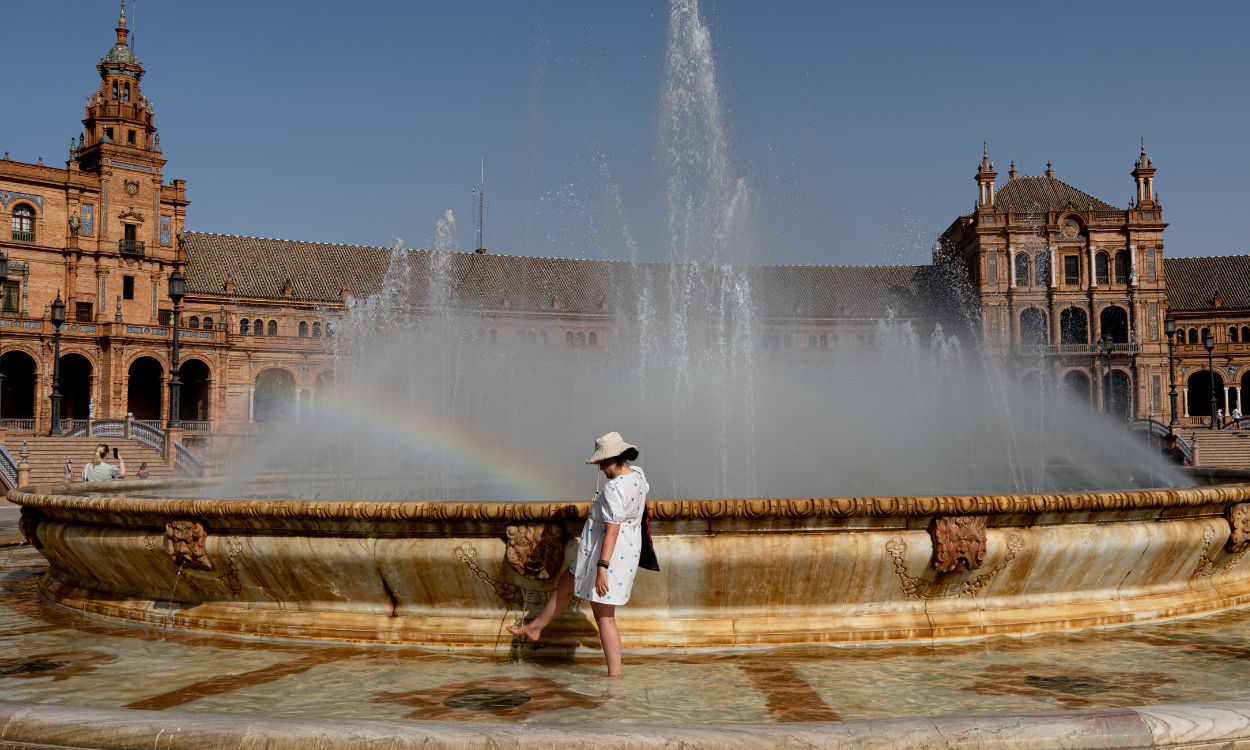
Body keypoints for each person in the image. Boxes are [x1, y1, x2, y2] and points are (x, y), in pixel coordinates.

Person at [507, 431, 650, 677]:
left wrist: (603, 568)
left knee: (605, 617)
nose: (600, 468)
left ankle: (614, 678)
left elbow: (612, 532)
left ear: (614, 458)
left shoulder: (614, 488)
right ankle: (535, 628)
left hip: (608, 557)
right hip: (616, 551)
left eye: (602, 462)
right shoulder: (637, 476)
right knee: (566, 583)